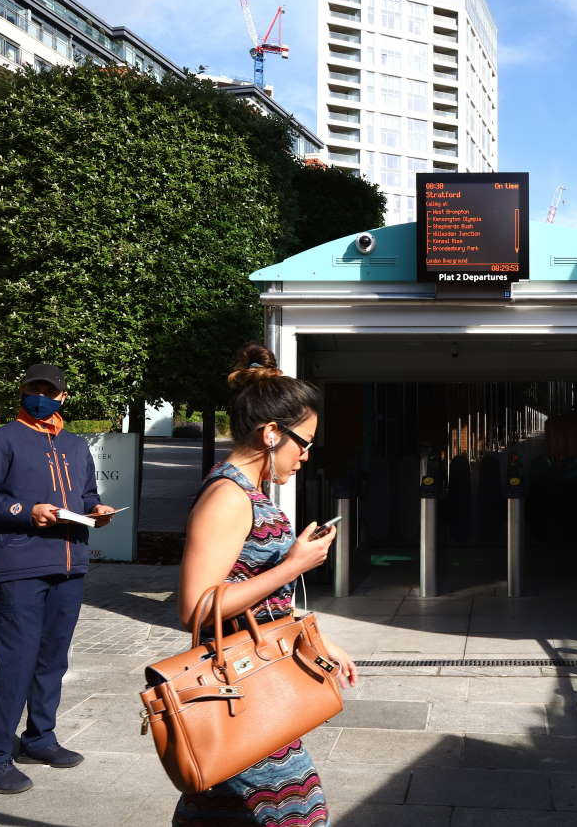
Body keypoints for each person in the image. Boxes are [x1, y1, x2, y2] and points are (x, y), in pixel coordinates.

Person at [172, 343, 356, 827]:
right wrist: (293, 565)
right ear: (272, 432)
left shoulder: (249, 491)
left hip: (253, 679)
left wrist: (317, 640)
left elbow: (260, 599)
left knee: (220, 811)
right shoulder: (228, 496)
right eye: (305, 441)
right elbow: (195, 608)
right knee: (301, 812)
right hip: (240, 689)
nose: (307, 456)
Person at [0, 363, 116, 794]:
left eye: (51, 390)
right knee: (16, 662)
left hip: (70, 564)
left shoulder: (74, 446)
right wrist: (25, 511)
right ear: (24, 392)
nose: (42, 396)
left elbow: (86, 495)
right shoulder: (1, 440)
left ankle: (39, 738)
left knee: (53, 660)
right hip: (21, 565)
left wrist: (96, 511)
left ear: (63, 397)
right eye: (35, 388)